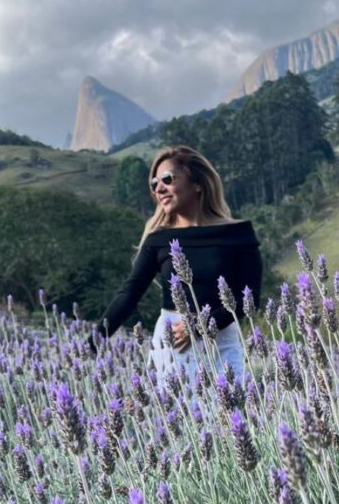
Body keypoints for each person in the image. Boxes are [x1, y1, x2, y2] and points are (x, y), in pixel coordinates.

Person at [92, 145, 262, 385]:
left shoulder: (238, 233)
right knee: (180, 418)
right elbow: (129, 294)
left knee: (230, 417)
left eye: (167, 179)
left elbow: (251, 298)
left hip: (221, 341)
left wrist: (202, 324)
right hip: (174, 346)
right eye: (154, 184)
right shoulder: (158, 239)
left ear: (197, 183)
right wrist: (93, 343)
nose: (159, 188)